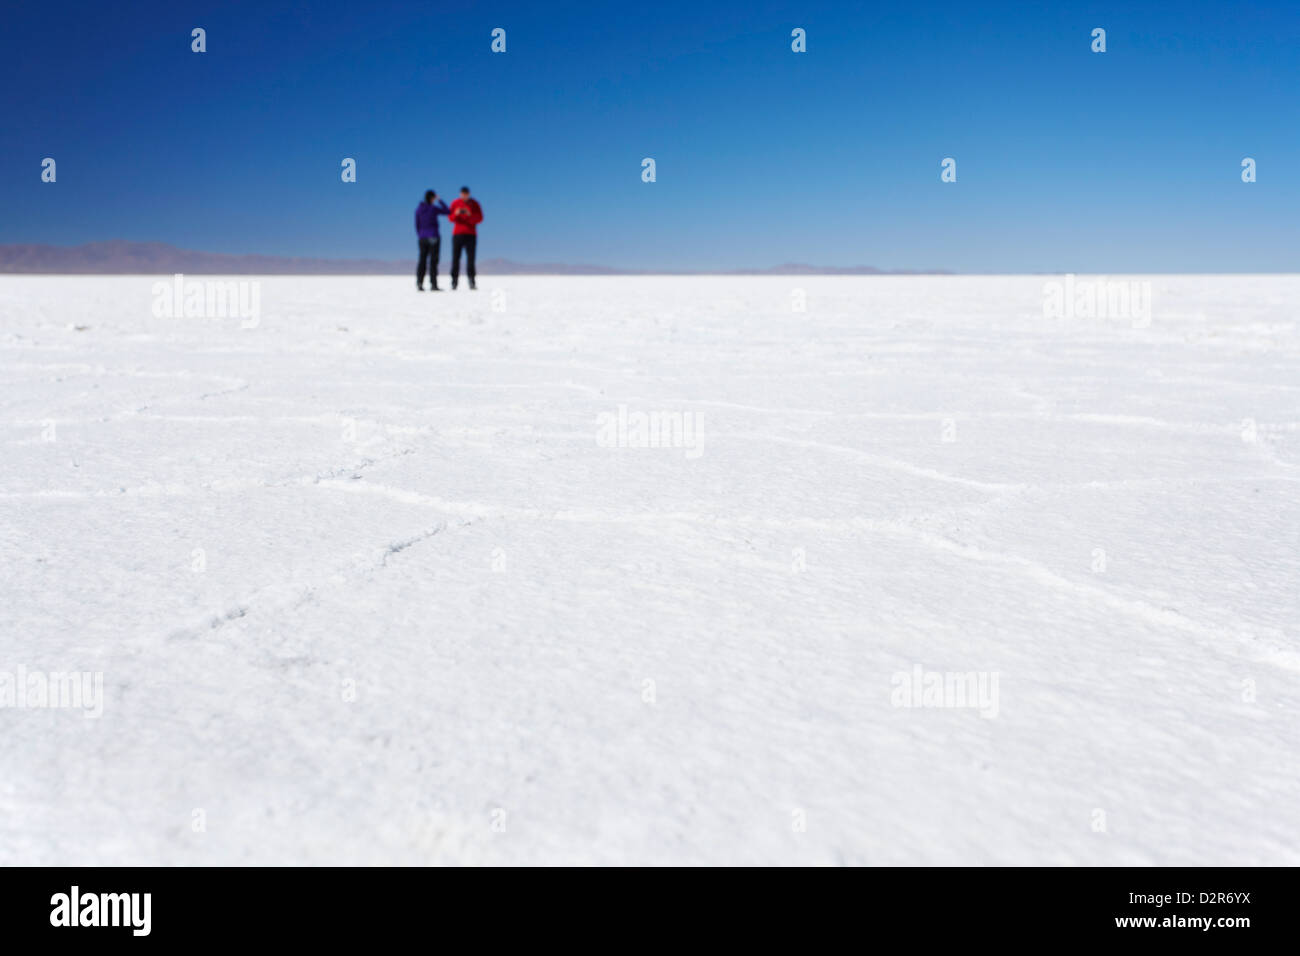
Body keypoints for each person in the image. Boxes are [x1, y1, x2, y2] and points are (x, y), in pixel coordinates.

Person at [448, 186, 483, 290]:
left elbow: (480, 218)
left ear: (469, 194)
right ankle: (454, 282)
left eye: (466, 194)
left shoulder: (474, 204)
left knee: (471, 260)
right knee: (455, 259)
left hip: (471, 234)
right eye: (462, 194)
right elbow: (450, 218)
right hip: (457, 234)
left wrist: (469, 215)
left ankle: (471, 281)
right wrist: (456, 214)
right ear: (460, 194)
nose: (464, 196)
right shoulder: (455, 203)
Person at [414, 190, 450, 290]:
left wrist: (421, 235)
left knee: (422, 261)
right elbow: (448, 211)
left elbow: (417, 225)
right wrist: (440, 200)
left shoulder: (419, 210)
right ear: (432, 198)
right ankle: (433, 285)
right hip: (434, 237)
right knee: (433, 262)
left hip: (422, 238)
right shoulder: (433, 208)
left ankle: (419, 283)